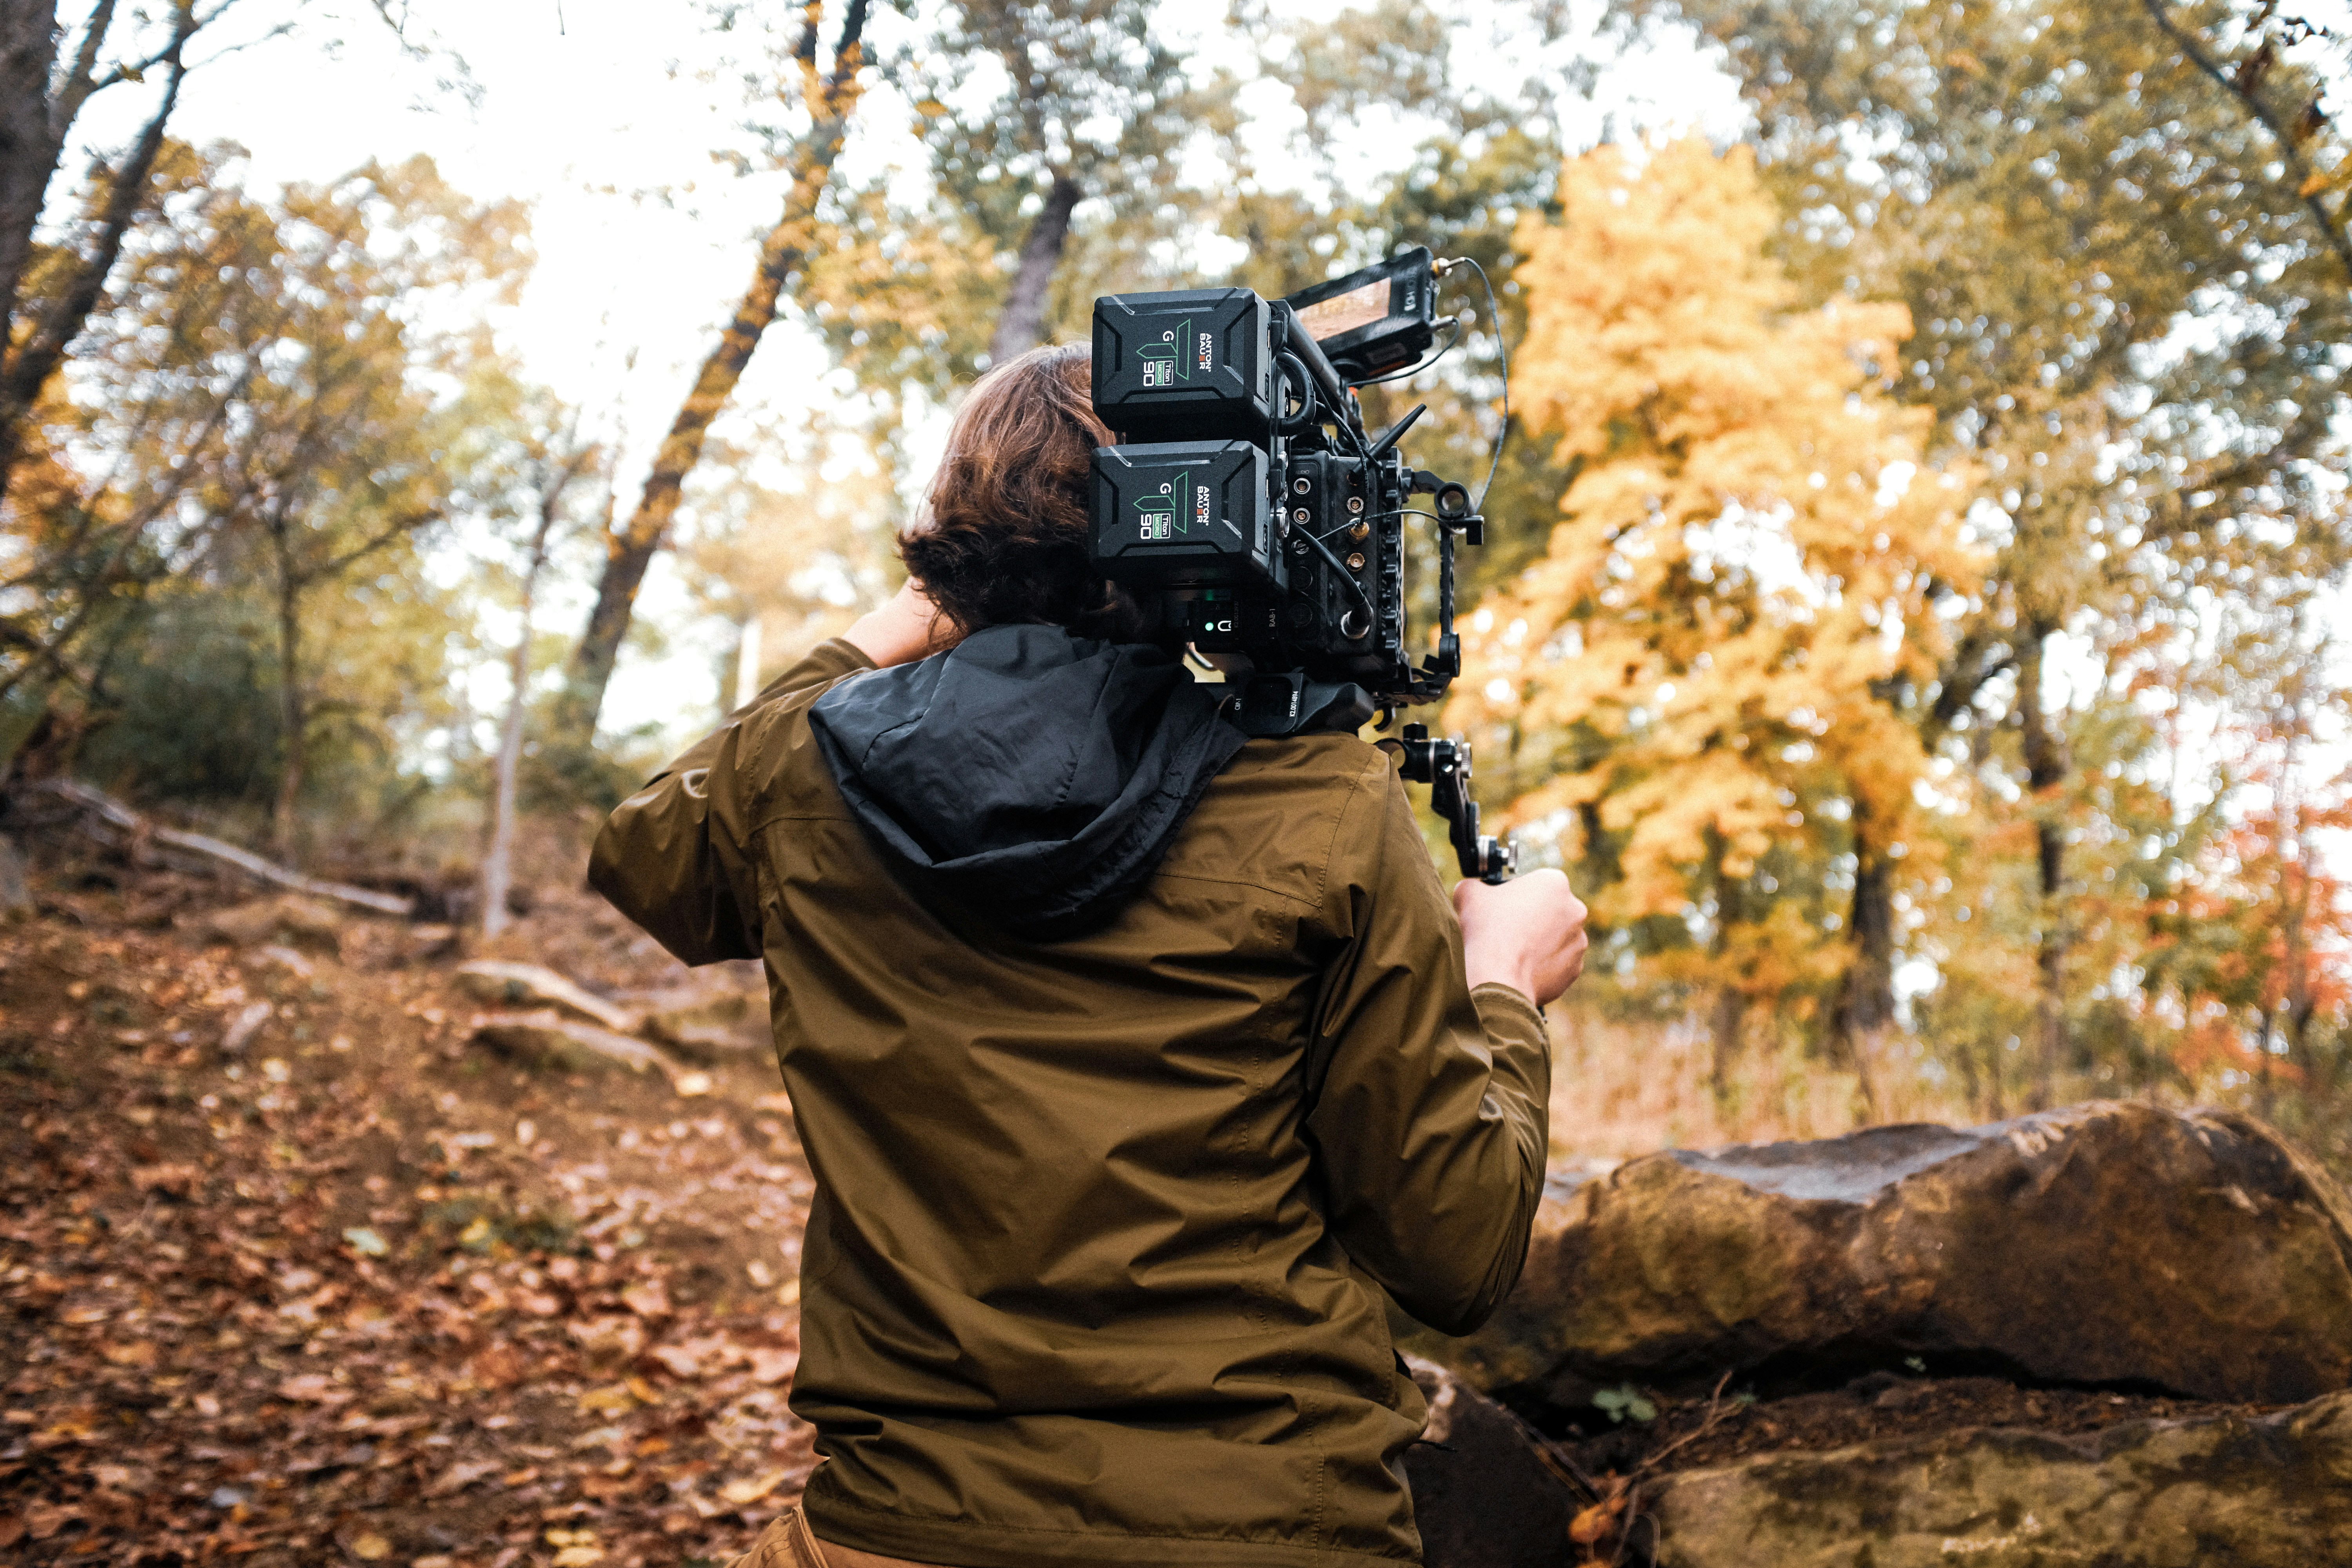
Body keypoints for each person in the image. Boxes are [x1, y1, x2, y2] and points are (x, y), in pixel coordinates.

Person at [589, 343, 1589, 1568]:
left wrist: (917, 608)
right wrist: (1505, 983)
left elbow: (651, 855)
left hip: (898, 1523)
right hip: (1262, 1522)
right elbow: (1457, 1249)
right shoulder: (1322, 797)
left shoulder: (805, 773)